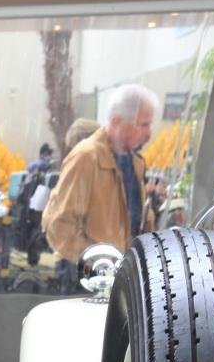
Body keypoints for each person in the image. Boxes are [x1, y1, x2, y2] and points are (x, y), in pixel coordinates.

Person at [43, 85, 157, 290]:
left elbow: (136, 222)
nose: (149, 132)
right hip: (84, 279)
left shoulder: (135, 162)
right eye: (143, 124)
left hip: (118, 279)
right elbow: (59, 225)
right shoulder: (86, 157)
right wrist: (100, 265)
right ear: (116, 122)